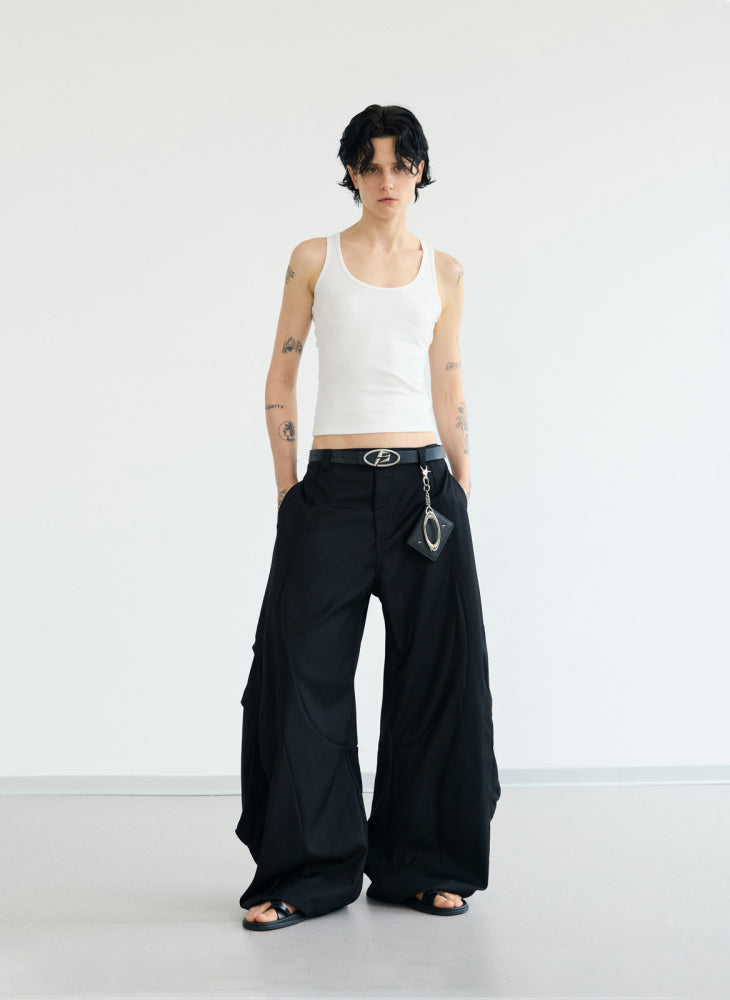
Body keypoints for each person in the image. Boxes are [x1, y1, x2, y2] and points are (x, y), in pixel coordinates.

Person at [235, 104, 501, 930]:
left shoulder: (445, 271)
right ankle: (307, 874)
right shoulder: (314, 259)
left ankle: (423, 867)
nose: (387, 180)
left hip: (424, 491)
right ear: (351, 172)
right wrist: (289, 491)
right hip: (332, 493)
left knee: (438, 680)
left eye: (401, 164)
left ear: (420, 170)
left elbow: (449, 380)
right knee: (302, 679)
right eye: (371, 164)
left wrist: (462, 481)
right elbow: (280, 377)